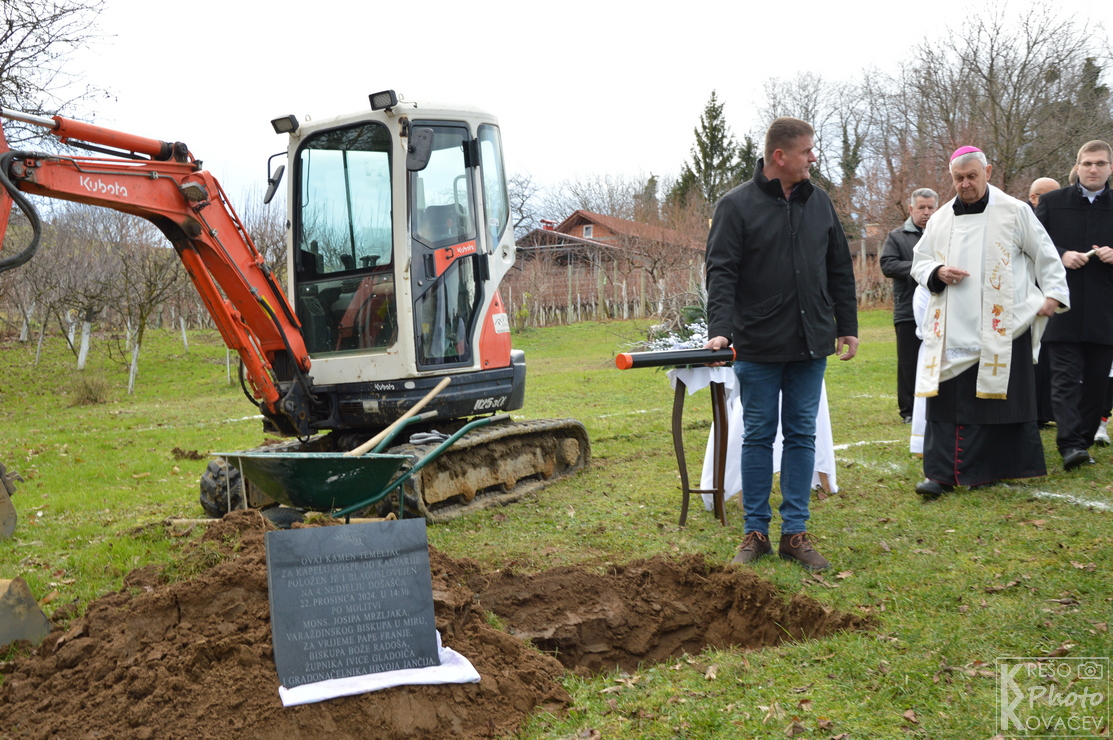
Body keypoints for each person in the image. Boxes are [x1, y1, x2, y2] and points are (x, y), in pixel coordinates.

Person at [704, 117, 858, 571]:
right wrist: (721, 328)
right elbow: (721, 271)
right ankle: (755, 532)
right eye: (807, 150)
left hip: (811, 342)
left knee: (802, 435)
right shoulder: (735, 205)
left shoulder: (819, 202)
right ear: (780, 156)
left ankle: (795, 533)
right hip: (758, 343)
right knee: (757, 436)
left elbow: (839, 267)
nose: (813, 157)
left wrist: (846, 325)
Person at [911, 146, 1069, 498]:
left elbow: (1045, 254)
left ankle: (994, 469)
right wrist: (937, 271)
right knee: (949, 400)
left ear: (989, 172)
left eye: (972, 176)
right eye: (958, 178)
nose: (965, 184)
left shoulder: (1015, 211)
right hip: (953, 326)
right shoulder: (940, 219)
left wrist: (1054, 293)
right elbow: (919, 262)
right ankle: (941, 474)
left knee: (997, 400)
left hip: (1003, 325)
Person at [1035, 140, 1113, 470]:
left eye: (1100, 163)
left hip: (1105, 312)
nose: (1093, 169)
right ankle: (1069, 445)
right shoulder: (1052, 203)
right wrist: (1062, 254)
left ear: (1110, 168)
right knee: (1065, 380)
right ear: (1077, 166)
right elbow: (1032, 245)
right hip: (1063, 307)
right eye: (1087, 163)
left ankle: (1081, 441)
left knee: (1096, 383)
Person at [880, 188, 938, 423]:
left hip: (939, 309)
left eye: (930, 207)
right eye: (921, 207)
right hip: (907, 310)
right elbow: (888, 265)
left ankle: (935, 406)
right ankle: (909, 411)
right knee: (908, 362)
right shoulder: (897, 236)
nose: (926, 212)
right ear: (911, 209)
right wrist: (922, 269)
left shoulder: (944, 234)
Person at [1028, 177, 1061, 427]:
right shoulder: (1024, 219)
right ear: (1034, 197)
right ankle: (1033, 410)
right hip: (1031, 294)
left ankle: (1047, 411)